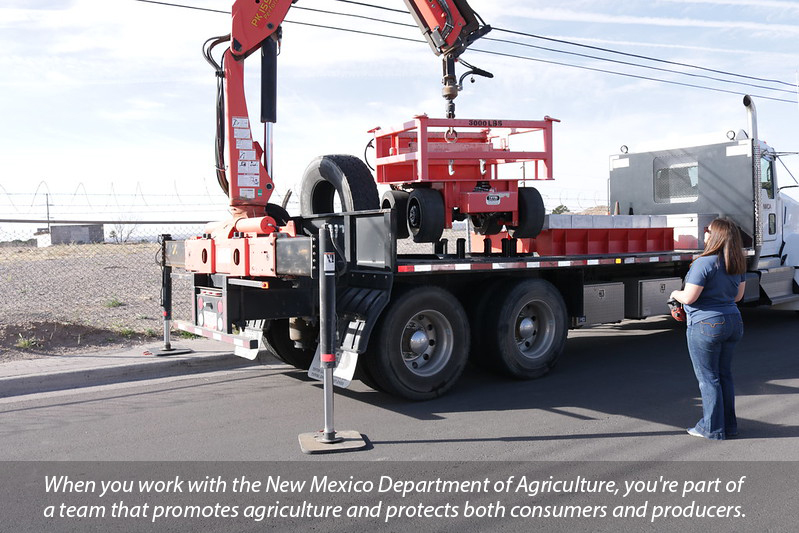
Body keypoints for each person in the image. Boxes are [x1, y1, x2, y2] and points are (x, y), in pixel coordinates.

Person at [669, 217, 747, 440]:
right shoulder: (737, 261)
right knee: (724, 375)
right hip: (734, 321)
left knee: (708, 378)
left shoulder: (704, 263)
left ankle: (711, 428)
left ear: (715, 235)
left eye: (707, 230)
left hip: (706, 324)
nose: (704, 234)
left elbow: (690, 297)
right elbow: (738, 296)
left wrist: (674, 294)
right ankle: (729, 426)